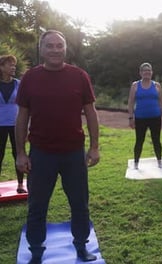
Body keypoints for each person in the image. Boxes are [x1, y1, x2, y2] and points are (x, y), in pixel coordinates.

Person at [15, 30, 100, 263]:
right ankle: (36, 251)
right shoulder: (29, 79)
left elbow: (91, 114)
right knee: (37, 206)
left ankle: (81, 246)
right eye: (50, 46)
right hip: (41, 154)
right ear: (41, 49)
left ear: (65, 49)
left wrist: (94, 147)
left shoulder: (79, 76)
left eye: (59, 46)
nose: (55, 49)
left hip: (74, 154)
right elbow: (22, 117)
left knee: (80, 204)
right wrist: (21, 153)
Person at [127, 62, 162, 169]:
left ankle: (159, 161)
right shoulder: (135, 85)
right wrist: (131, 118)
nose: (147, 73)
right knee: (139, 141)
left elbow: (161, 101)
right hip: (140, 118)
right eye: (144, 71)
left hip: (155, 117)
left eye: (149, 71)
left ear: (152, 73)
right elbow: (130, 102)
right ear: (140, 73)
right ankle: (136, 163)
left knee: (156, 140)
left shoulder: (157, 85)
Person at [0, 54, 26, 195]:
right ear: (1, 67)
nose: (13, 67)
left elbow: (25, 106)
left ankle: (21, 184)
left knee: (19, 154)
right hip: (0, 125)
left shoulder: (18, 83)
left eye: (14, 64)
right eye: (10, 64)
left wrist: (27, 127)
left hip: (17, 125)